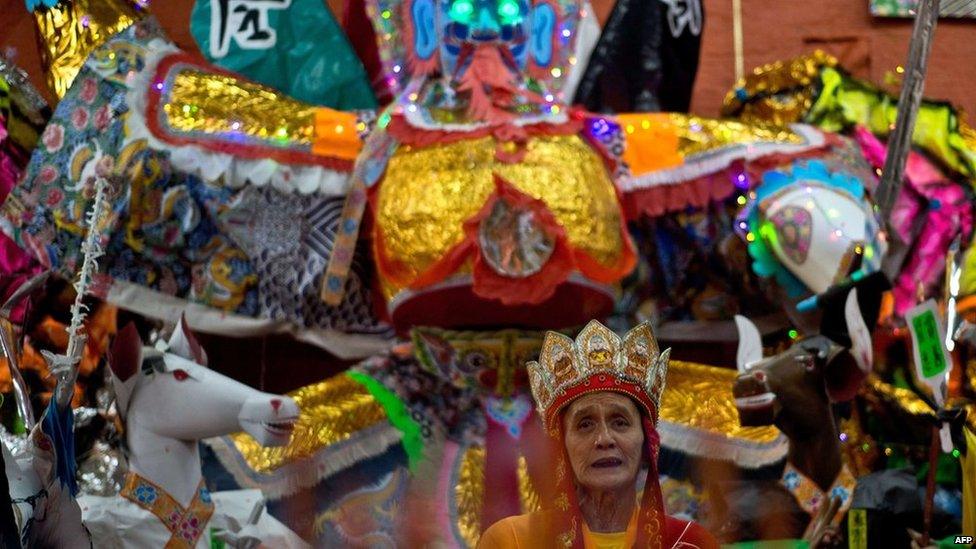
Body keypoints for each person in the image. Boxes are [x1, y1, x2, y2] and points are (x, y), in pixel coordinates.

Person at [478, 320, 718, 548]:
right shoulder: (513, 541)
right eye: (585, 424)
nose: (604, 439)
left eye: (620, 422)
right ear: (561, 447)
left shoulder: (690, 543)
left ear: (647, 444)